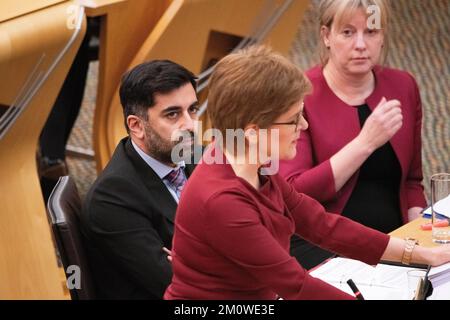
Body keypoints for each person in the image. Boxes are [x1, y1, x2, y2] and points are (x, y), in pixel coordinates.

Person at [164, 45, 450, 300]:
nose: (303, 126)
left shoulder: (250, 159)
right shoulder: (222, 201)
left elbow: (320, 224)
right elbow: (296, 286)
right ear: (252, 132)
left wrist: (422, 254)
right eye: (292, 119)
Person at [279, 0, 427, 269]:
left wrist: (420, 229)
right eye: (347, 32)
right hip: (324, 247)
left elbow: (413, 180)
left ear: (383, 35)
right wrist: (364, 143)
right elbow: (292, 192)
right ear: (326, 36)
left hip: (395, 241)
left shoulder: (403, 85)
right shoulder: (299, 95)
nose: (361, 44)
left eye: (371, 32)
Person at [81, 60, 199, 299]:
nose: (190, 125)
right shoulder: (113, 197)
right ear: (136, 126)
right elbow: (178, 286)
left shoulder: (198, 157)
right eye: (173, 114)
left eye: (193, 110)